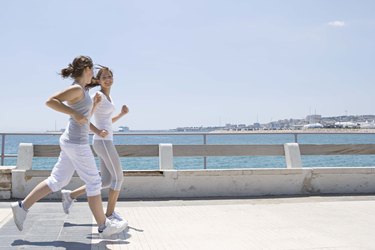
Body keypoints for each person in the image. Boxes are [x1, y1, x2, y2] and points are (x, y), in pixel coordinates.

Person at [10, 56, 128, 238]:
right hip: (76, 142)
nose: (94, 78)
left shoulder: (82, 89)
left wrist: (94, 106)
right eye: (92, 73)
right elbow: (50, 101)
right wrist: (73, 113)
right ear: (87, 70)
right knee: (94, 182)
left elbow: (84, 116)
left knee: (57, 180)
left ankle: (21, 207)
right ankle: (104, 226)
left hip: (71, 141)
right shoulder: (76, 89)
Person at [61, 65, 129, 222]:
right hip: (103, 142)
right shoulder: (97, 95)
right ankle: (110, 214)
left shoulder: (108, 97)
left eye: (109, 76)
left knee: (105, 181)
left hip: (105, 140)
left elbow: (106, 122)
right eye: (104, 77)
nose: (107, 79)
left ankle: (70, 195)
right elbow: (86, 118)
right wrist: (97, 132)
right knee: (118, 178)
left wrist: (121, 114)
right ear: (98, 80)